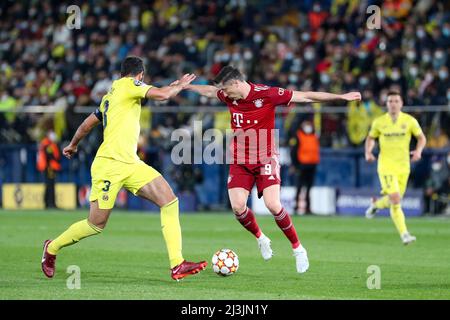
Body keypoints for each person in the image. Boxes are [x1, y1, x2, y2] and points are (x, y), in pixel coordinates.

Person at [41, 56, 207, 281]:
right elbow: (163, 95)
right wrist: (180, 85)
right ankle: (52, 248)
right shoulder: (131, 85)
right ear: (140, 74)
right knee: (96, 224)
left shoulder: (110, 96)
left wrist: (72, 144)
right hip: (109, 164)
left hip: (130, 162)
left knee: (169, 201)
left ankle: (177, 264)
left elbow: (86, 124)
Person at [186, 66, 361, 273]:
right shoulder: (228, 96)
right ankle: (261, 238)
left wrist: (341, 96)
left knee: (273, 204)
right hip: (240, 159)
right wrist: (185, 86)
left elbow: (305, 96)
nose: (223, 94)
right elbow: (209, 91)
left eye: (226, 89)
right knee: (238, 207)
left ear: (235, 83)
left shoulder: (267, 94)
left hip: (265, 158)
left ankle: (298, 249)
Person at [365, 91, 427, 245]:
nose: (393, 104)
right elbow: (371, 138)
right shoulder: (379, 122)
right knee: (395, 198)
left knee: (395, 200)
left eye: (396, 101)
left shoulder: (409, 121)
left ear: (401, 103)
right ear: (386, 104)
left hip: (403, 166)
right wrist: (368, 152)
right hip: (386, 165)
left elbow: (421, 138)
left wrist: (419, 151)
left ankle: (376, 204)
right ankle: (405, 234)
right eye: (390, 101)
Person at [292, 120, 320, 214]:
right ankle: (296, 206)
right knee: (299, 186)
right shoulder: (298, 136)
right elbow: (294, 152)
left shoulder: (314, 136)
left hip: (312, 165)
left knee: (309, 188)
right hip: (302, 165)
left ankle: (308, 208)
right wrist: (295, 165)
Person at [37, 128, 61, 209]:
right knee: (50, 185)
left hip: (48, 167)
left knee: (49, 185)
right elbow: (50, 156)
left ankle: (48, 203)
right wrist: (49, 167)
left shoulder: (47, 143)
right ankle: (51, 203)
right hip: (49, 167)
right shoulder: (48, 144)